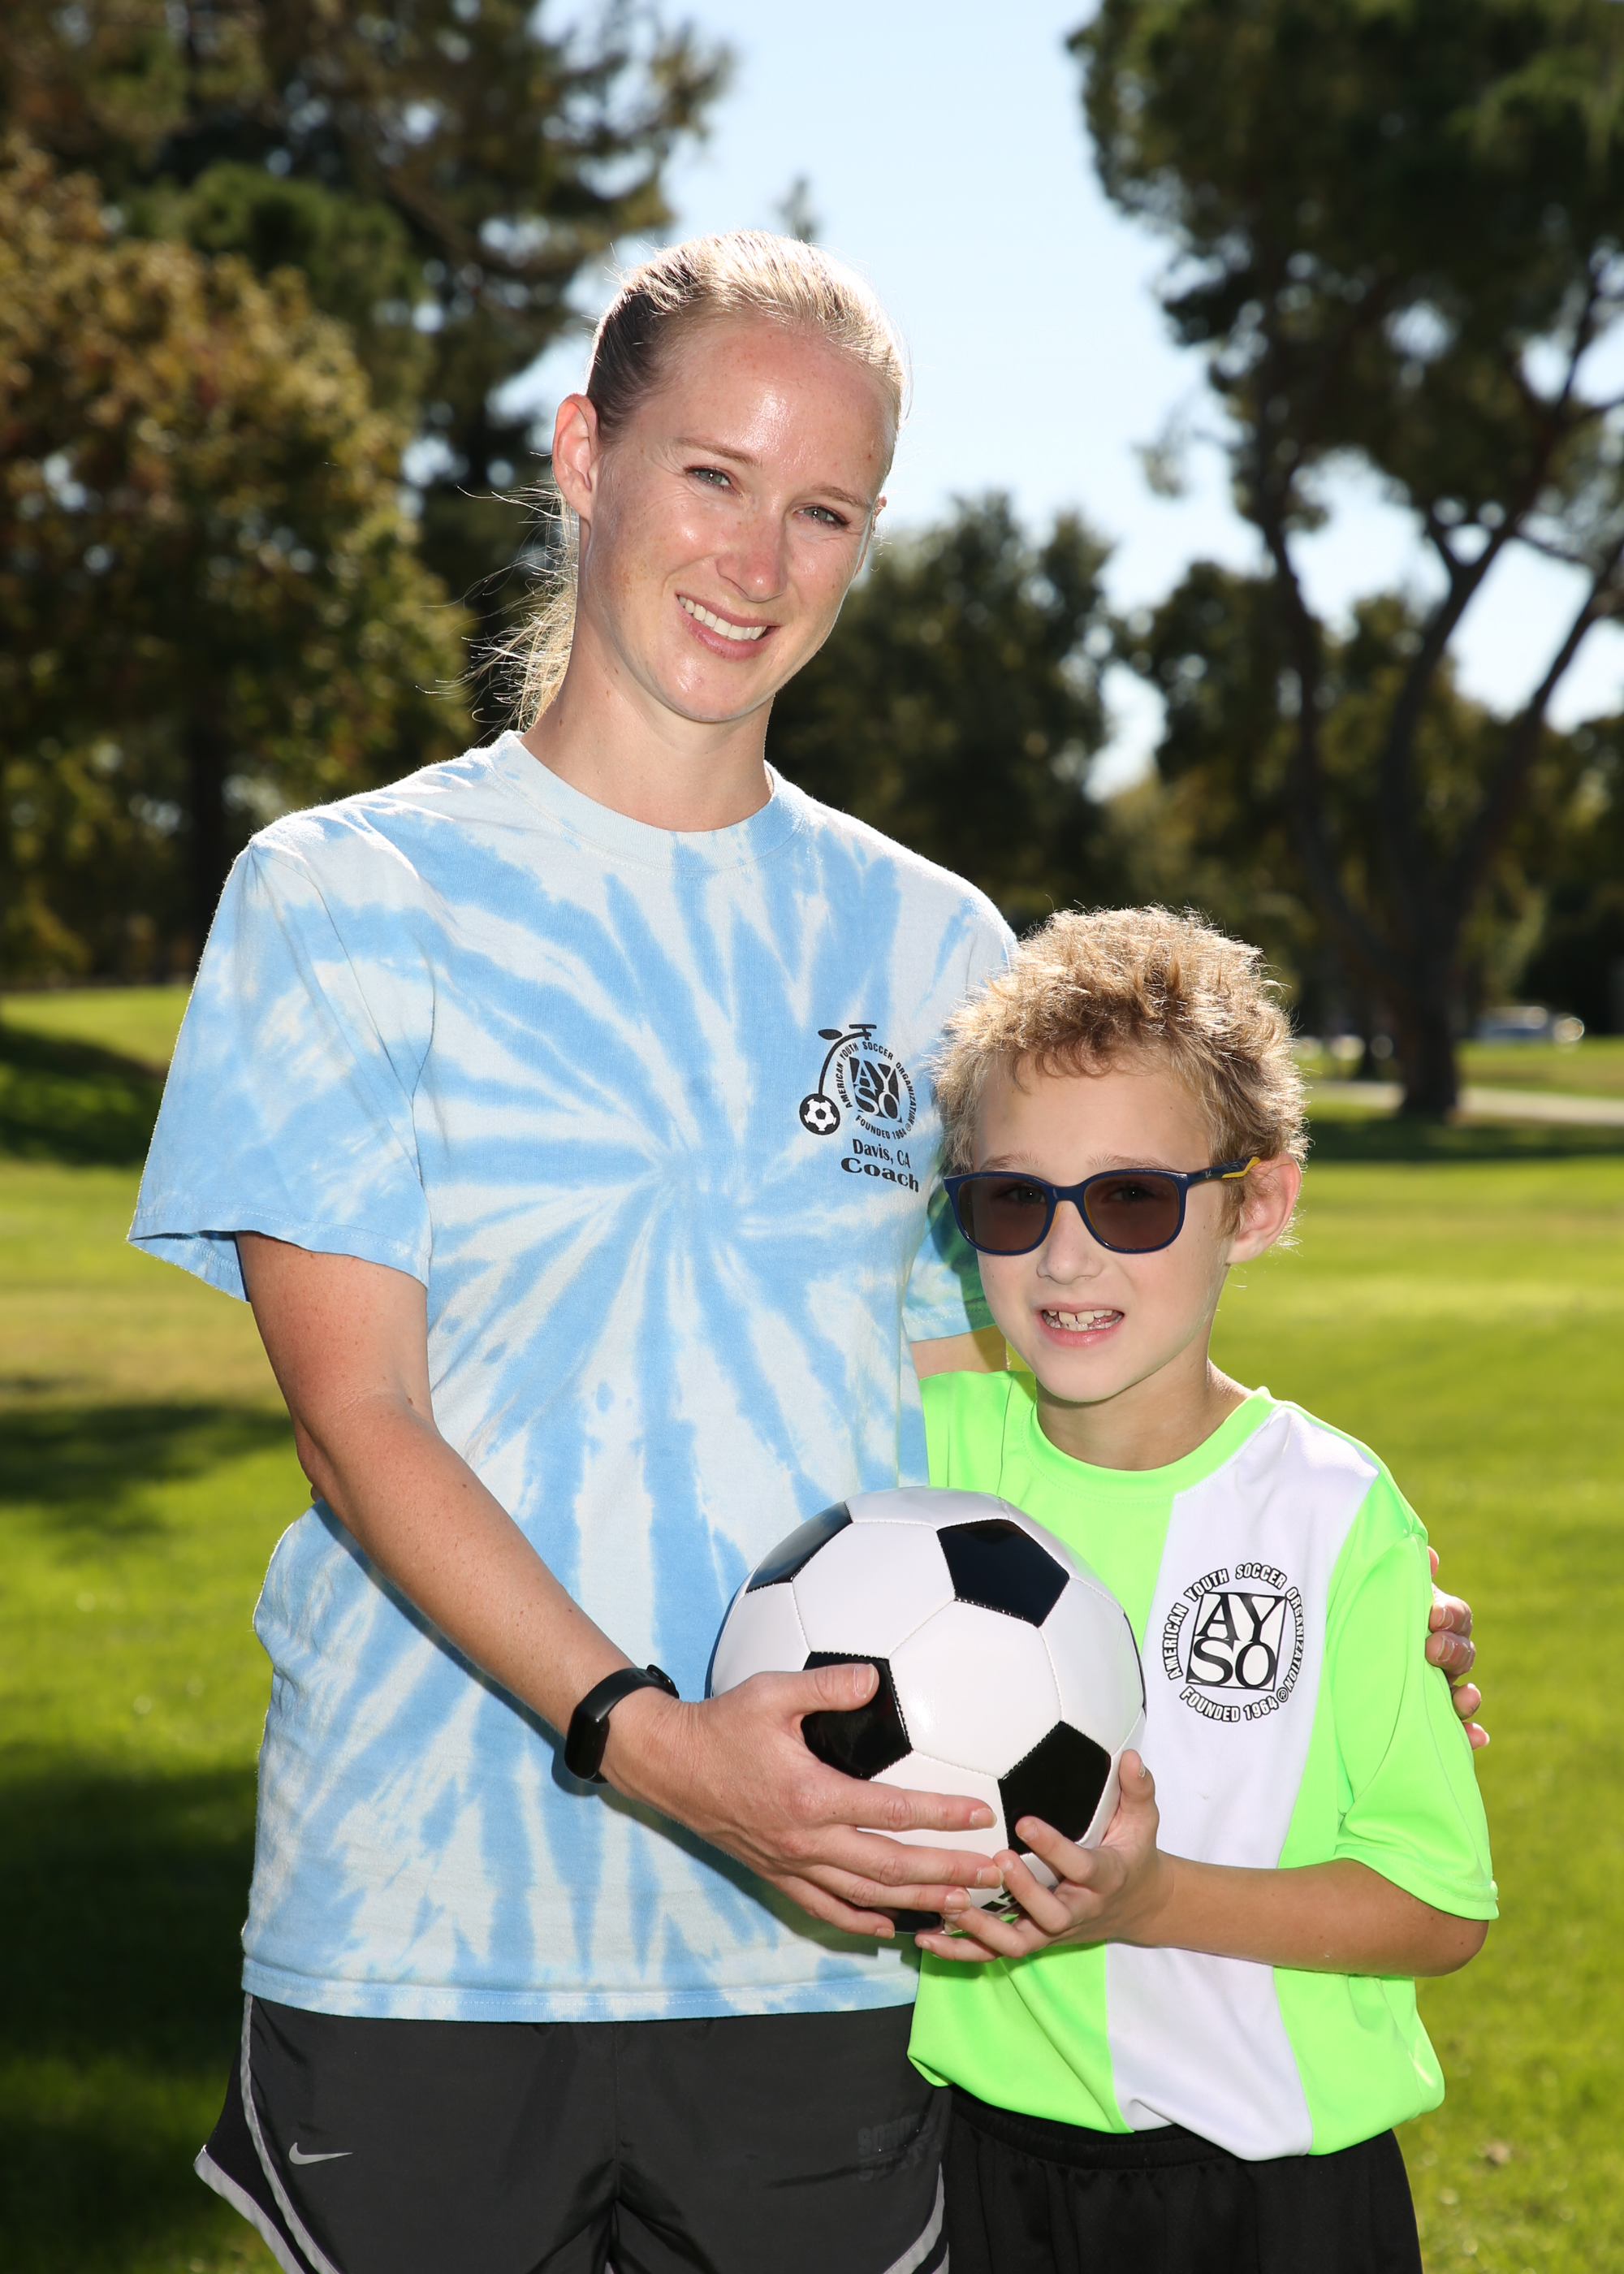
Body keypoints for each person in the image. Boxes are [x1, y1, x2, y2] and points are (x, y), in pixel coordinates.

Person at [129, 234, 1480, 2274]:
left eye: (825, 509)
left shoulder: (931, 944)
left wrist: (1314, 1590)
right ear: (583, 456)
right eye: (712, 475)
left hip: (829, 1944)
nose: (759, 560)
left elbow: (1010, 1402)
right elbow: (359, 1415)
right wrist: (660, 1744)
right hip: (428, 1933)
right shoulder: (344, 894)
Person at [906, 906, 1497, 2274]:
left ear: (1256, 1205)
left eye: (1131, 1199)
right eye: (1015, 1201)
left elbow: (1438, 1905)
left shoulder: (1332, 1512)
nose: (1066, 1257)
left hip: (1278, 2197)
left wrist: (1152, 1900)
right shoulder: (915, 1466)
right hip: (983, 2170)